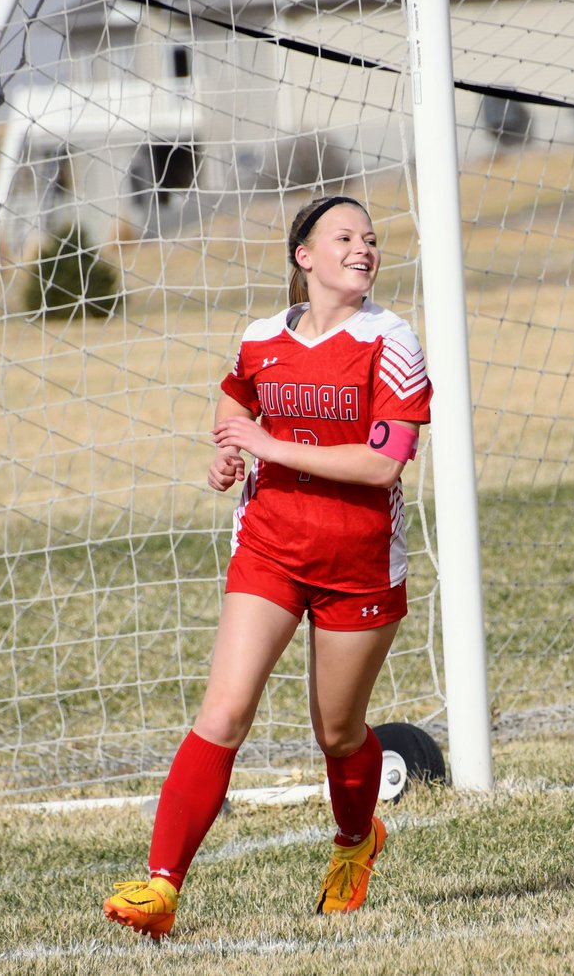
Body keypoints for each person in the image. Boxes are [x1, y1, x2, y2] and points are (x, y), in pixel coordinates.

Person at [103, 195, 433, 935]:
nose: (364, 248)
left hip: (359, 562)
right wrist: (229, 450)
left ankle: (356, 839)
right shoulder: (260, 338)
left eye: (370, 238)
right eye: (345, 237)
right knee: (224, 711)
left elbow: (383, 464)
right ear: (304, 256)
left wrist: (267, 444)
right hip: (270, 548)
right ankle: (161, 889)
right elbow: (235, 405)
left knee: (337, 734)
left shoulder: (392, 340)